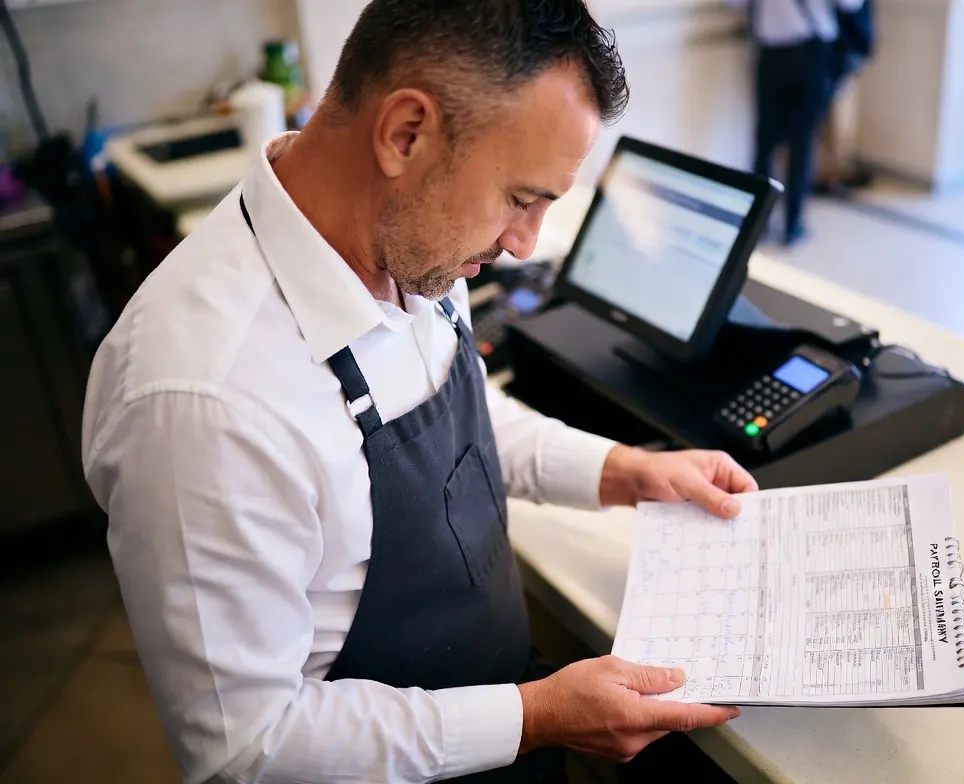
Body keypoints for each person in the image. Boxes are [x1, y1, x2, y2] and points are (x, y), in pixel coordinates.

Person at [80, 2, 754, 782]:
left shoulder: (410, 241)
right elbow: (246, 745)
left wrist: (624, 470)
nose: (522, 244)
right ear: (407, 134)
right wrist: (534, 716)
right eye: (520, 197)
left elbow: (455, 413)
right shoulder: (201, 400)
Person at [746, 0, 867, 245]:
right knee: (800, 143)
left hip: (772, 55)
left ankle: (759, 225)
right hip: (810, 53)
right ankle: (792, 224)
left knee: (766, 143)